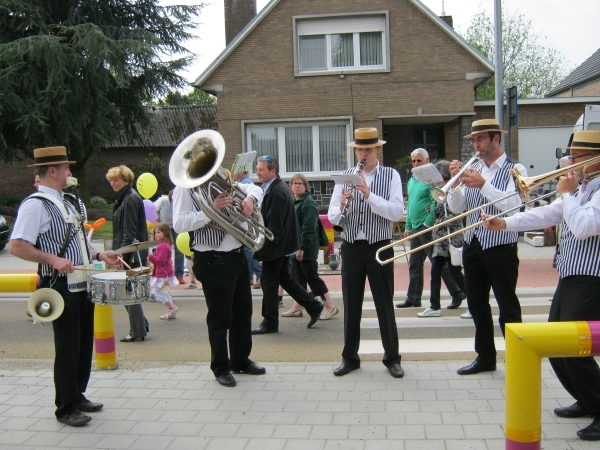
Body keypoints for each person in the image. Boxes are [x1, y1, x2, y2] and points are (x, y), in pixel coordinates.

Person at [483, 130, 600, 440]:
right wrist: (505, 222)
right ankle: (588, 400)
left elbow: (585, 227)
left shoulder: (592, 191)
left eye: (577, 157)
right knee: (555, 344)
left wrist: (566, 193)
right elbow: (546, 213)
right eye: (571, 155)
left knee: (575, 349)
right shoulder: (584, 188)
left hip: (592, 279)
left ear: (595, 159)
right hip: (571, 274)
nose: (570, 162)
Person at [9, 146, 120, 427]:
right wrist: (51, 259)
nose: (71, 172)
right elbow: (16, 246)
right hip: (59, 286)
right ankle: (65, 406)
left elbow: (78, 242)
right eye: (67, 168)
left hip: (83, 285)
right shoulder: (35, 204)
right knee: (68, 347)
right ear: (52, 171)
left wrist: (98, 255)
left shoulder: (68, 202)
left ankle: (77, 394)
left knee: (83, 346)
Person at [172, 138, 266, 387]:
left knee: (243, 313)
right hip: (212, 259)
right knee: (220, 317)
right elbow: (179, 223)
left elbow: (256, 189)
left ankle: (241, 360)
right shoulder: (186, 187)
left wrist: (249, 201)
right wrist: (208, 211)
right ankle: (220, 367)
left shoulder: (224, 178)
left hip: (236, 256)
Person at [447, 119, 527, 375]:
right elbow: (457, 209)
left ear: (496, 139)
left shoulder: (515, 168)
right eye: (473, 140)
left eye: (481, 139)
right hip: (473, 244)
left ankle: (519, 359)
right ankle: (485, 357)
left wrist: (483, 184)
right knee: (477, 306)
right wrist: (454, 185)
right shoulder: (473, 168)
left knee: (507, 306)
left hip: (501, 246)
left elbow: (515, 206)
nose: (476, 144)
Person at [327, 127, 405, 378]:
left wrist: (370, 196)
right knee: (351, 304)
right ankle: (350, 357)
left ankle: (392, 358)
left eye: (367, 149)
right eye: (359, 149)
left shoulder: (390, 175)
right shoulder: (346, 175)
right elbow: (332, 218)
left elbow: (396, 213)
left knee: (384, 302)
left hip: (379, 245)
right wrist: (341, 206)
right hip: (351, 246)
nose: (363, 153)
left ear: (377, 150)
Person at [251, 156, 324, 334]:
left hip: (275, 245)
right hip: (281, 245)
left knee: (269, 283)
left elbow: (274, 225)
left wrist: (263, 249)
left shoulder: (276, 191)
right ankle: (313, 305)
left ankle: (270, 322)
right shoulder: (276, 187)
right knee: (284, 278)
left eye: (261, 170)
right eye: (257, 169)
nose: (258, 172)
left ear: (272, 171)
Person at [395, 148, 465, 310]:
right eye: (413, 161)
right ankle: (413, 297)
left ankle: (457, 292)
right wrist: (408, 225)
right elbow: (411, 203)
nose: (416, 163)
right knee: (414, 264)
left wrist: (428, 223)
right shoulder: (412, 179)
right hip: (415, 226)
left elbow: (436, 201)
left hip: (427, 227)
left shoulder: (431, 179)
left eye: (419, 161)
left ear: (427, 161)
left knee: (438, 264)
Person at [282, 174, 338, 320]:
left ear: (306, 187)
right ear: (291, 186)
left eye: (300, 183)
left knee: (312, 277)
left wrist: (302, 248)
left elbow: (309, 228)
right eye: (294, 183)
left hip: (306, 248)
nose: (297, 185)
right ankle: (296, 308)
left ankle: (330, 307)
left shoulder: (308, 203)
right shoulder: (295, 202)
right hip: (296, 247)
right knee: (298, 278)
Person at [417, 161, 467, 317]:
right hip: (440, 240)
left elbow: (456, 212)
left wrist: (440, 224)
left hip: (451, 238)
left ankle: (473, 300)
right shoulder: (438, 190)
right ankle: (434, 306)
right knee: (436, 272)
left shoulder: (451, 189)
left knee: (455, 272)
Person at [106, 165, 150, 343]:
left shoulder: (129, 199)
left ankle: (137, 330)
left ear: (126, 181)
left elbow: (129, 230)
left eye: (116, 180)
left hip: (130, 252)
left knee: (126, 292)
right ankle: (141, 326)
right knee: (128, 290)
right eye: (111, 180)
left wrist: (121, 254)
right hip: (129, 251)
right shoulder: (126, 198)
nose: (113, 183)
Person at [232, 170, 263, 289]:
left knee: (248, 251)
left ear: (241, 173)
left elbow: (256, 192)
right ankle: (250, 277)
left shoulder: (244, 184)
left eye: (234, 173)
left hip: (245, 222)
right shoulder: (244, 182)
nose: (233, 176)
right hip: (246, 222)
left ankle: (260, 274)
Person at [148, 222, 180, 320]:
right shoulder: (165, 245)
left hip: (163, 274)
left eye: (158, 232)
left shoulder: (162, 246)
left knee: (155, 292)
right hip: (166, 273)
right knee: (165, 292)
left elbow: (161, 261)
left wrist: (151, 257)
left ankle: (171, 307)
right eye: (155, 233)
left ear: (165, 233)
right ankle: (171, 312)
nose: (156, 235)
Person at [154, 190, 185, 284]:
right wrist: (157, 221)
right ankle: (160, 274)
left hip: (177, 226)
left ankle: (179, 275)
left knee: (179, 250)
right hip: (164, 226)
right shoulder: (163, 200)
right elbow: (153, 208)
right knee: (162, 249)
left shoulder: (182, 203)